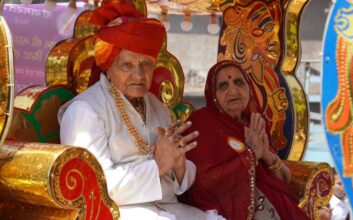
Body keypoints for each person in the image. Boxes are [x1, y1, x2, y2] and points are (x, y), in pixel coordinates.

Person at [58, 2, 211, 219]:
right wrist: (158, 165)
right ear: (108, 67)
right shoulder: (85, 111)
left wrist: (178, 165)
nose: (139, 75)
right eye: (127, 65)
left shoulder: (158, 107)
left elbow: (178, 182)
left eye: (146, 65)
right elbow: (93, 187)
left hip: (166, 209)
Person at [181, 60, 309, 220]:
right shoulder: (201, 123)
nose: (233, 90)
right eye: (223, 86)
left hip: (274, 203)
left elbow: (285, 177)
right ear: (213, 94)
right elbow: (204, 182)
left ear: (249, 88)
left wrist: (265, 155)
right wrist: (251, 155)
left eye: (238, 82)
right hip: (228, 208)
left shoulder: (253, 121)